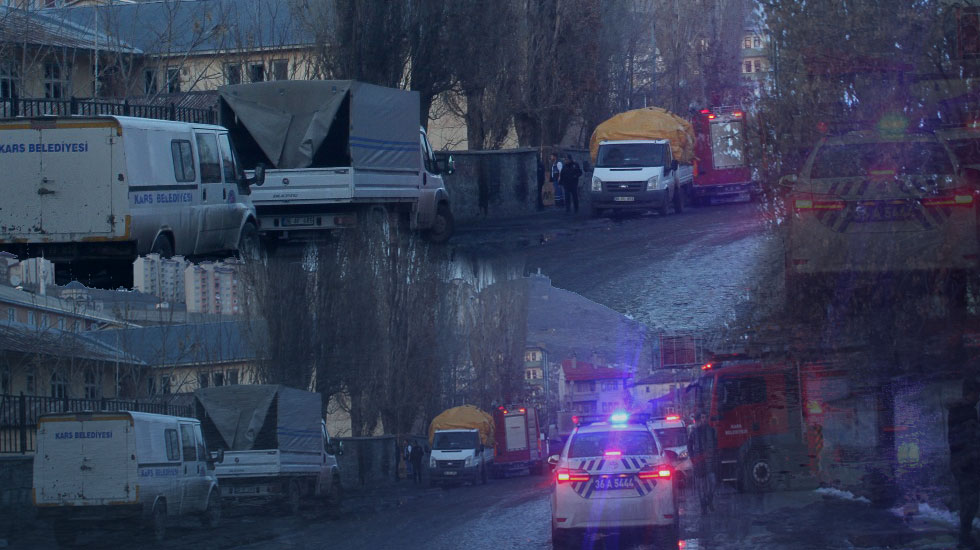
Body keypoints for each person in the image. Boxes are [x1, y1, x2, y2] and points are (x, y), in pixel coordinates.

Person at [948, 377, 980, 549]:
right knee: (971, 500)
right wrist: (973, 460)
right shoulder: (966, 412)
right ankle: (964, 536)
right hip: (967, 464)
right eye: (977, 393)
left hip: (962, 463)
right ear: (971, 393)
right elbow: (970, 440)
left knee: (968, 500)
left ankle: (964, 535)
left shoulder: (960, 410)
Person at [688, 410, 718, 514]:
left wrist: (715, 456)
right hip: (699, 462)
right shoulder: (694, 432)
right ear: (699, 419)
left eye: (705, 417)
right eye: (702, 418)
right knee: (701, 486)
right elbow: (689, 446)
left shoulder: (711, 431)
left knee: (713, 483)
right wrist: (692, 458)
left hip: (709, 461)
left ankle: (709, 500)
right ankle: (703, 506)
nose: (704, 420)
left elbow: (715, 445)